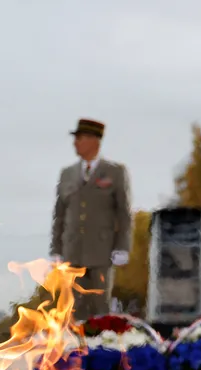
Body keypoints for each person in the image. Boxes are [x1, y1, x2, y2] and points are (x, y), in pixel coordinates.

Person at [50, 118, 132, 321]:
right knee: (74, 308)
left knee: (100, 307)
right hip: (72, 252)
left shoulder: (114, 172)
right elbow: (59, 214)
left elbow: (123, 213)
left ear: (94, 140)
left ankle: (101, 349)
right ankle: (76, 350)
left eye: (80, 138)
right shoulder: (67, 173)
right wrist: (56, 248)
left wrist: (122, 246)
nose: (75, 143)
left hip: (101, 252)